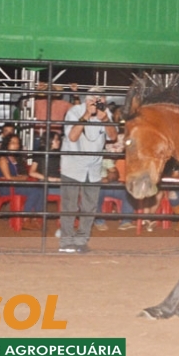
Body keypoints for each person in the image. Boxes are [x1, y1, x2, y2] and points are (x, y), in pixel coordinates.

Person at [59, 88, 117, 253]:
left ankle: (81, 241)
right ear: (87, 99)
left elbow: (113, 136)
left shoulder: (105, 113)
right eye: (94, 99)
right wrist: (86, 115)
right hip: (73, 165)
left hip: (94, 167)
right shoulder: (74, 112)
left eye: (101, 99)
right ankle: (66, 242)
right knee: (69, 205)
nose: (98, 102)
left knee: (89, 207)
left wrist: (105, 119)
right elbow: (72, 136)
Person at [0, 133, 44, 230]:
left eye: (17, 143)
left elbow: (17, 176)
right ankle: (25, 219)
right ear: (6, 144)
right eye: (12, 143)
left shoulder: (16, 159)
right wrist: (22, 178)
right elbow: (8, 178)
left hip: (15, 185)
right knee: (34, 191)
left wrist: (19, 177)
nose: (15, 145)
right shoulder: (3, 159)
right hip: (6, 188)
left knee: (40, 189)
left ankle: (37, 218)